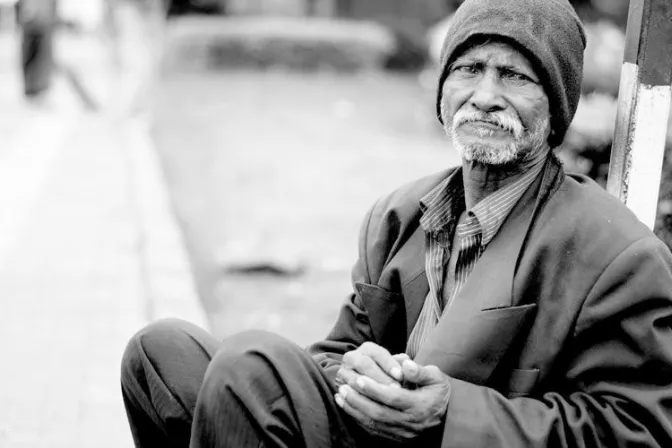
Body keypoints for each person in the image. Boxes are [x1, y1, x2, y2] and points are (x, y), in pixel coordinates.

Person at [120, 0, 672, 446]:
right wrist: (356, 373)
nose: (484, 96)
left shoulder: (617, 254)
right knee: (159, 354)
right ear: (441, 90)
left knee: (250, 369)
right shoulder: (401, 214)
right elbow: (336, 353)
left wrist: (449, 415)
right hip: (370, 432)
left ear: (555, 106)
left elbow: (637, 428)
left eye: (514, 76)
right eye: (468, 69)